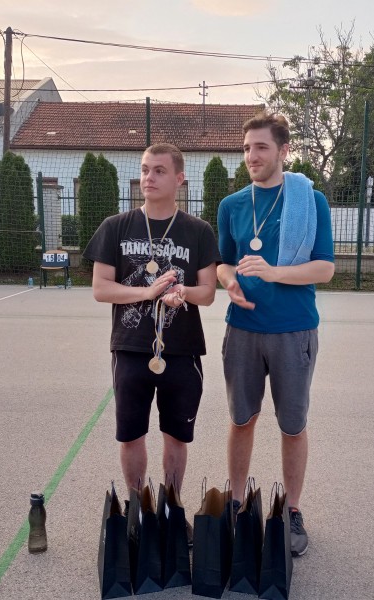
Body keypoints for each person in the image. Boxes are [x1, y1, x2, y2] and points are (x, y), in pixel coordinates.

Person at [216, 113, 335, 557]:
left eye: (261, 147)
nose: (252, 155)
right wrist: (229, 281)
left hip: (293, 329)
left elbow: (325, 268)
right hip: (243, 329)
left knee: (293, 425)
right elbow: (222, 262)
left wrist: (274, 272)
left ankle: (292, 510)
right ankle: (235, 503)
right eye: (247, 148)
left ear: (284, 151)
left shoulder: (309, 200)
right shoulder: (232, 205)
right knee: (241, 420)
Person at [84, 143, 220, 502]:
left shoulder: (198, 231)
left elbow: (208, 293)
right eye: (145, 170)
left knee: (176, 436)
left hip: (182, 349)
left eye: (159, 171)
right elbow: (100, 288)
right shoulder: (115, 227)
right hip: (130, 347)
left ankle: (171, 507)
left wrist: (181, 291)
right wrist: (147, 293)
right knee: (131, 435)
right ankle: (137, 509)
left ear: (179, 178)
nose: (149, 177)